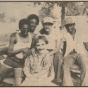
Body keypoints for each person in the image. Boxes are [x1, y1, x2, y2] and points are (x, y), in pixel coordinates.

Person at [0, 18, 32, 86]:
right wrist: (22, 49)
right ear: (20, 28)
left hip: (20, 63)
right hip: (10, 60)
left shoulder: (31, 36)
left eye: (27, 28)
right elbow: (9, 52)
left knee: (18, 85)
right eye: (24, 28)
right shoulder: (14, 37)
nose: (26, 30)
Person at [38, 17, 63, 85]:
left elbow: (57, 48)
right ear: (43, 25)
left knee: (58, 56)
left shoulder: (57, 33)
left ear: (52, 25)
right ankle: (46, 77)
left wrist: (48, 54)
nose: (47, 26)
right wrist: (46, 53)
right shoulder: (41, 33)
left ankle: (57, 78)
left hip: (54, 51)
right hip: (44, 50)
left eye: (49, 24)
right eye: (45, 24)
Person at [62, 17, 86, 86]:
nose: (69, 27)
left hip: (80, 53)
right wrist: (64, 57)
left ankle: (84, 85)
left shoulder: (81, 33)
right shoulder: (64, 35)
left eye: (70, 25)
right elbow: (63, 47)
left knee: (85, 66)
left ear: (74, 25)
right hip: (69, 54)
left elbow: (86, 45)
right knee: (65, 66)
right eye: (67, 26)